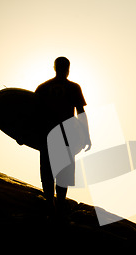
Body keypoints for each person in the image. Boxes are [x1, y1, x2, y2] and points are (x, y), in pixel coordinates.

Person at [36, 56, 91, 215]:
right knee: (63, 173)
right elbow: (81, 113)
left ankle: (49, 203)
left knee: (47, 172)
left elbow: (32, 114)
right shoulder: (73, 88)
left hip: (46, 136)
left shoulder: (43, 88)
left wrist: (22, 134)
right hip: (66, 136)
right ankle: (59, 204)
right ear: (67, 69)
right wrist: (86, 135)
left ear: (54, 67)